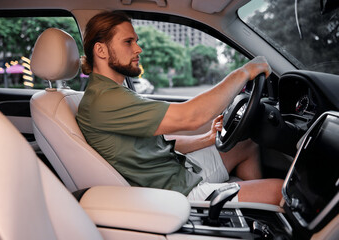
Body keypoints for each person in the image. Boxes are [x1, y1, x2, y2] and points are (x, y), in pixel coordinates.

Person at [76, 11, 283, 204]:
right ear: (101, 50)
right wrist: (244, 72)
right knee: (280, 191)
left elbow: (159, 143)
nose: (138, 49)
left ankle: (252, 212)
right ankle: (256, 206)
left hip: (179, 170)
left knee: (246, 144)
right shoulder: (104, 100)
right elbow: (191, 117)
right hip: (175, 193)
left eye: (136, 41)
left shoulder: (113, 92)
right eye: (128, 42)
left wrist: (207, 138)